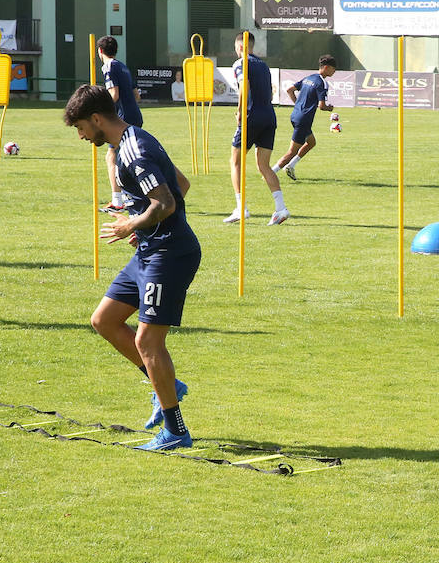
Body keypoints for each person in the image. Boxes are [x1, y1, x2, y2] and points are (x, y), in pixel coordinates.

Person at [63, 84, 201, 451]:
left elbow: (167, 201)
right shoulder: (132, 140)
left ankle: (176, 431)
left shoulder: (134, 151)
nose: (81, 136)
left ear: (96, 119)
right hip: (150, 249)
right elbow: (182, 184)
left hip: (170, 254)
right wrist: (146, 227)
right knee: (104, 320)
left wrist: (132, 224)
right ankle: (168, 386)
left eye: (80, 128)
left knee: (147, 340)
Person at [226, 31, 288, 225]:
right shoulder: (263, 65)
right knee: (263, 165)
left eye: (236, 48)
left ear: (241, 47)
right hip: (269, 116)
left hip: (251, 115)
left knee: (235, 161)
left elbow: (244, 85)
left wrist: (240, 111)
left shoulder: (241, 63)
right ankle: (281, 208)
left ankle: (240, 208)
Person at [272, 54, 337, 180]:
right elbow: (321, 106)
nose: (334, 71)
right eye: (333, 69)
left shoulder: (309, 77)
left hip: (295, 115)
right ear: (327, 67)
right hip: (304, 120)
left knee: (311, 142)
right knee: (291, 152)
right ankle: (270, 173)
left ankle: (291, 166)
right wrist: (330, 108)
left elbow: (290, 90)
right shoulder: (322, 83)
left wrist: (298, 105)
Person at [98, 35, 144, 212]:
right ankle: (133, 196)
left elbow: (114, 94)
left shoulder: (108, 66)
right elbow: (136, 95)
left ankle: (118, 201)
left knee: (112, 156)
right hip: (135, 115)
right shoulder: (123, 66)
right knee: (126, 157)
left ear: (100, 51)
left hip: (123, 117)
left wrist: (101, 112)